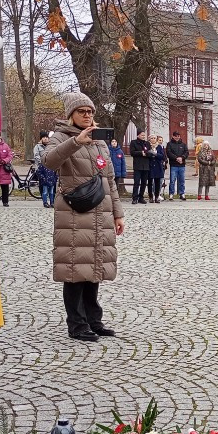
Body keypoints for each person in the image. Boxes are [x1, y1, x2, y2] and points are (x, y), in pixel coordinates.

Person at [43, 92, 125, 341]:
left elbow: (109, 180)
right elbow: (48, 162)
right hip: (76, 213)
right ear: (71, 114)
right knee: (75, 270)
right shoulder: (60, 136)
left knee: (94, 268)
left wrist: (118, 214)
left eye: (90, 111)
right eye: (82, 112)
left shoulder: (99, 141)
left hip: (100, 212)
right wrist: (76, 141)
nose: (87, 116)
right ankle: (77, 325)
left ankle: (93, 321)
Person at [129, 130, 151, 205]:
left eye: (144, 135)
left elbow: (150, 152)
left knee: (144, 182)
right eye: (142, 135)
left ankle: (141, 197)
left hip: (146, 165)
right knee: (137, 182)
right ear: (138, 135)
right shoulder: (134, 142)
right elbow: (132, 152)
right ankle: (135, 198)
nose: (143, 137)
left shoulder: (147, 143)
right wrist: (140, 153)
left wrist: (147, 154)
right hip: (138, 165)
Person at [165, 131, 188, 201]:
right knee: (172, 180)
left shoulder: (183, 144)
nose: (177, 137)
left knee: (182, 180)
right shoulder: (169, 144)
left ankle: (182, 193)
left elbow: (186, 152)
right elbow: (169, 153)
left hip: (182, 165)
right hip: (173, 165)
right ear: (173, 136)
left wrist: (182, 157)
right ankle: (171, 194)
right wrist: (176, 158)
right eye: (175, 136)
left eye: (178, 136)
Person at [148, 135, 166, 203]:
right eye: (151, 138)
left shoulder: (159, 147)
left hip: (158, 166)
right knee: (150, 182)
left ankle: (156, 196)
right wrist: (151, 153)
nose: (153, 139)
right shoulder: (148, 146)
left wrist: (156, 154)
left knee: (157, 182)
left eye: (154, 138)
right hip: (150, 166)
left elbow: (163, 156)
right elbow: (146, 154)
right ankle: (150, 197)